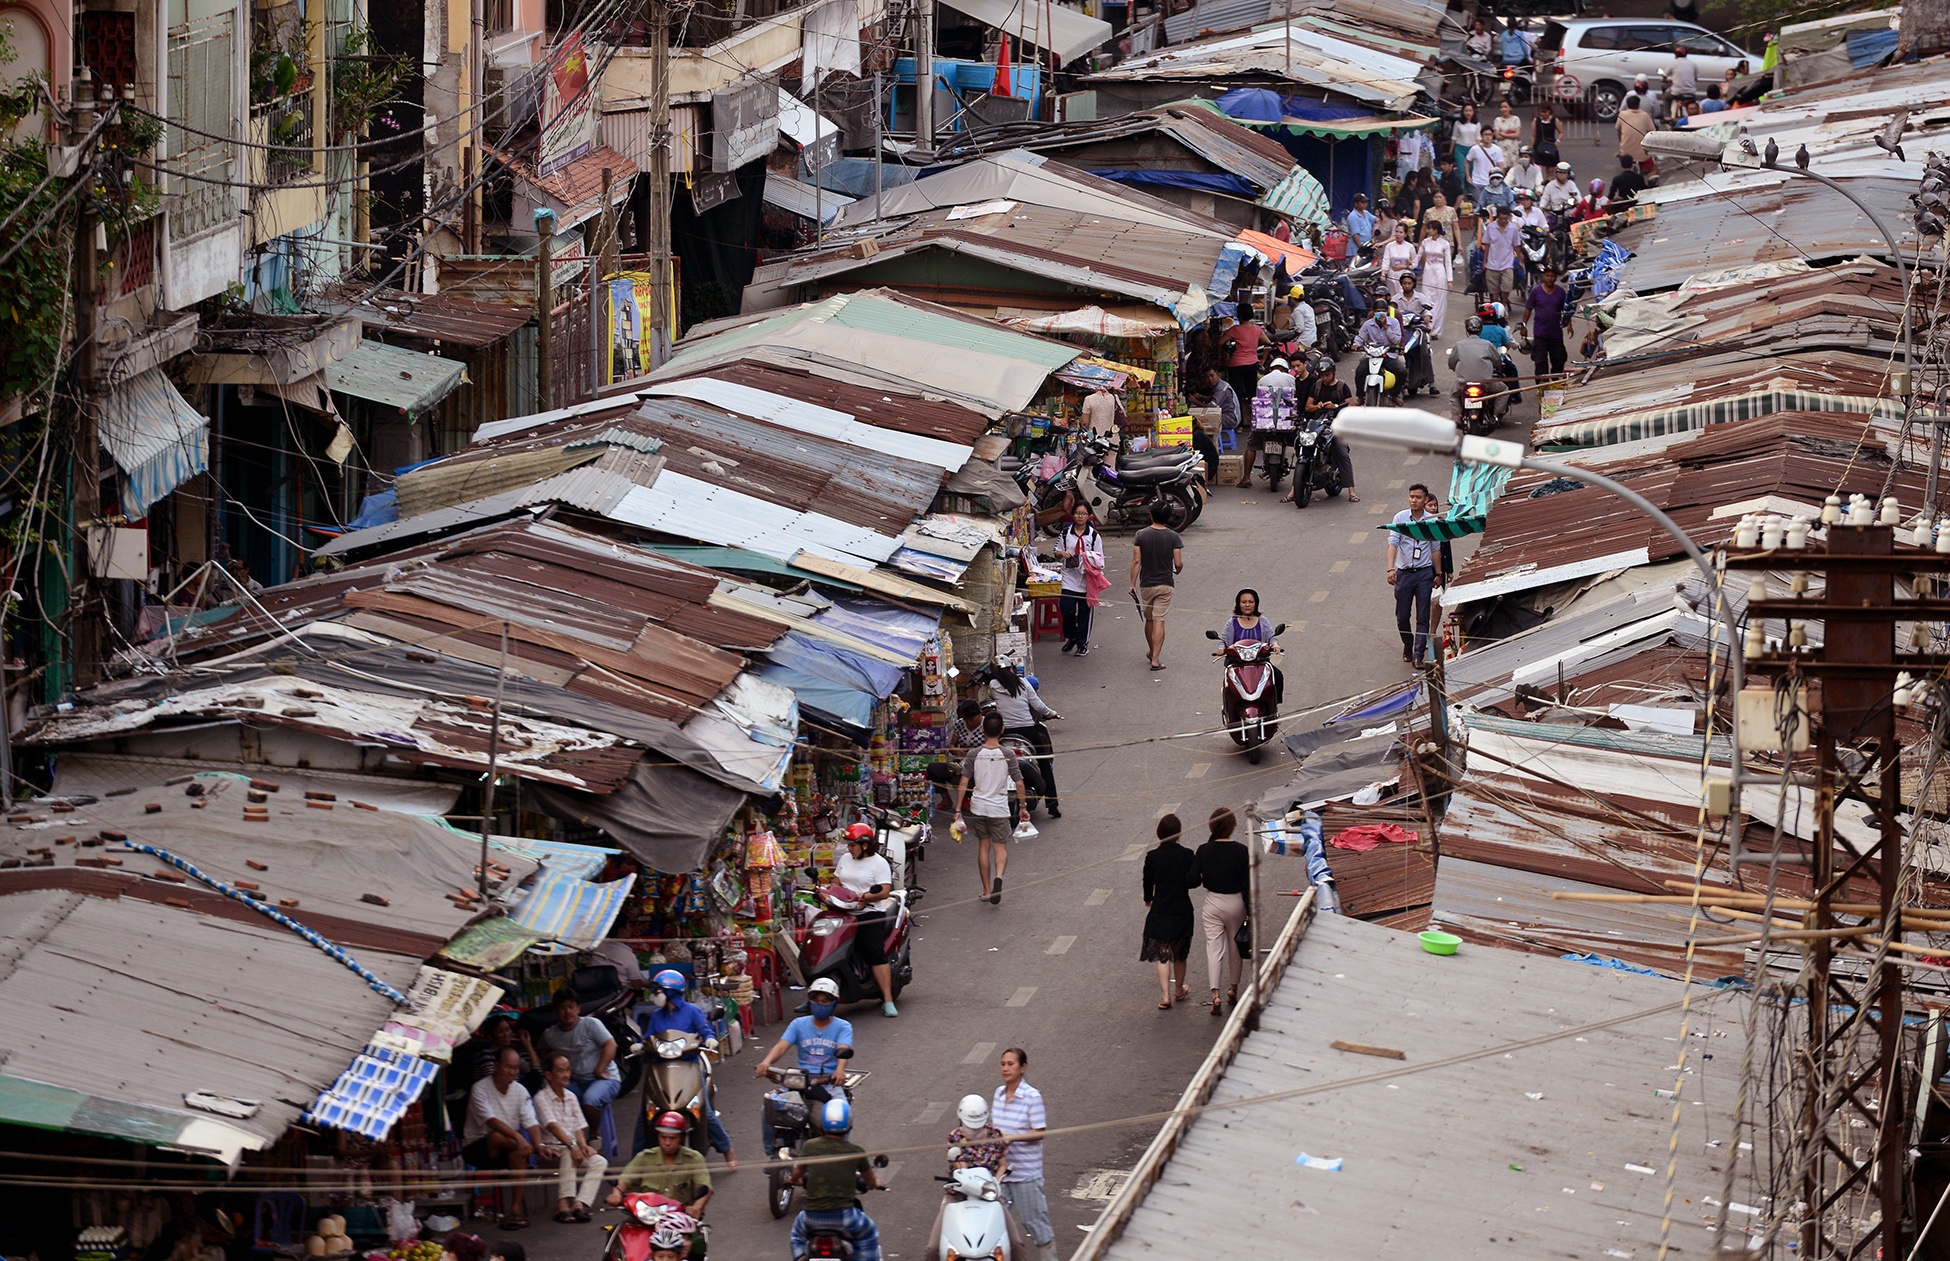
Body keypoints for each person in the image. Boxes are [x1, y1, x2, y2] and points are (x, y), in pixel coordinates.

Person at [641, 968, 736, 1165]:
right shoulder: (657, 1015)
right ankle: (637, 1159)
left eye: (658, 990)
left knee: (704, 1112)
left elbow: (705, 1030)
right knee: (646, 1112)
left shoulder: (692, 1011)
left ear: (670, 990)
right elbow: (648, 1037)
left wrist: (710, 1040)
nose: (655, 994)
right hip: (661, 1066)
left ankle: (727, 1149)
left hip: (688, 1066)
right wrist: (640, 1044)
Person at [790, 1098, 882, 1261]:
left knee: (796, 1236)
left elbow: (798, 1172)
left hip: (811, 1218)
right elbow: (870, 1181)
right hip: (844, 1217)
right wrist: (876, 1184)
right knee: (870, 1234)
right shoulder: (855, 1151)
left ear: (823, 1123)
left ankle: (801, 1258)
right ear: (849, 1124)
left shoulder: (810, 1146)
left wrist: (791, 1180)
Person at [955, 713, 1031, 904]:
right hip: (999, 809)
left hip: (979, 807)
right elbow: (1019, 783)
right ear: (1002, 730)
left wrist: (957, 809)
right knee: (1000, 848)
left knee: (983, 847)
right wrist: (1022, 807)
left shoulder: (974, 754)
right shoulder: (1008, 754)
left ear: (983, 730)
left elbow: (963, 781)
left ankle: (987, 891)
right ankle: (999, 877)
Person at [753, 976, 854, 1113]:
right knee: (769, 1108)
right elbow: (781, 1046)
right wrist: (766, 1062)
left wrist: (840, 1070)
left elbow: (843, 1048)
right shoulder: (798, 1024)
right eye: (816, 1001)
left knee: (840, 1114)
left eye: (825, 1002)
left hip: (829, 1082)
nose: (819, 1005)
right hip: (800, 1080)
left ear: (834, 1003)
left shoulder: (843, 1026)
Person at [462, 1048, 537, 1229]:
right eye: (508, 1067)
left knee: (519, 1154)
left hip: (508, 1146)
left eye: (516, 1068)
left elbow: (531, 1122)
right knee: (496, 1136)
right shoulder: (480, 1088)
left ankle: (516, 1210)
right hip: (478, 1147)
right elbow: (491, 1122)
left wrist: (538, 1143)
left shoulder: (520, 1090)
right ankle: (522, 1146)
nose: (513, 1072)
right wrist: (519, 1138)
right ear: (496, 1066)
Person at [993, 1049, 1055, 1261]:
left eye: (1011, 1064)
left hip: (1026, 1174)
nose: (1005, 1068)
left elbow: (1040, 1132)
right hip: (1002, 1174)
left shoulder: (1032, 1097)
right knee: (995, 1225)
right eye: (1003, 1064)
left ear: (1023, 1068)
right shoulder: (998, 1094)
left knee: (1036, 1224)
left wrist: (1013, 1138)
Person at [523, 989, 620, 1120]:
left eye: (571, 1007)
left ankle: (594, 1135)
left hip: (603, 1079)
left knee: (589, 1100)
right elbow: (542, 1051)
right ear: (556, 1011)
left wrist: (600, 1069)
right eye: (562, 1008)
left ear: (578, 1008)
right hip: (575, 1081)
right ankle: (567, 1137)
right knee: (551, 1100)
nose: (568, 1012)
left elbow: (611, 1045)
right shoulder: (550, 1034)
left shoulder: (590, 1024)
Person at [532, 1053, 607, 1223]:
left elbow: (578, 1127)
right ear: (549, 1075)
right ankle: (562, 1204)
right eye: (560, 1071)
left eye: (568, 1070)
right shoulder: (541, 1098)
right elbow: (553, 1126)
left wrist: (583, 1145)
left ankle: (579, 1204)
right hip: (551, 1151)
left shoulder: (571, 1096)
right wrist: (574, 1146)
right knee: (567, 1152)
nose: (566, 1074)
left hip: (571, 1147)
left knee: (599, 1161)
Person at [1189, 807, 1250, 1017]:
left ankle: (1215, 995)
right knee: (1235, 948)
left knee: (1213, 948)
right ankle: (1232, 989)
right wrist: (1250, 911)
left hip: (1213, 902)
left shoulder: (1203, 849)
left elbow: (1193, 880)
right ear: (1232, 826)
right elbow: (1247, 883)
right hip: (1236, 902)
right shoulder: (1241, 850)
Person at [836, 823, 902, 1016]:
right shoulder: (846, 859)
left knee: (875, 953)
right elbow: (836, 881)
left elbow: (884, 891)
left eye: (852, 845)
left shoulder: (879, 863)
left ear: (864, 845)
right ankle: (815, 996)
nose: (849, 849)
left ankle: (888, 999)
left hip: (869, 913)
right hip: (843, 911)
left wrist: (863, 898)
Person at [609, 1110, 714, 1225]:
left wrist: (696, 1207)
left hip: (681, 1220)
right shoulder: (644, 1157)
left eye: (672, 1138)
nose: (667, 1142)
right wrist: (616, 1194)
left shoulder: (694, 1159)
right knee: (618, 1232)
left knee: (690, 1243)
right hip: (648, 1218)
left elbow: (705, 1188)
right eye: (663, 1137)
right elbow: (625, 1180)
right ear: (658, 1136)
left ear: (682, 1138)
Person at [988, 660, 1061, 817]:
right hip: (1029, 730)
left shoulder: (993, 685)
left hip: (1005, 732)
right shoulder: (1022, 682)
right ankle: (1052, 804)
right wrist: (1051, 713)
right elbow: (1038, 705)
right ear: (1012, 669)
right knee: (1044, 763)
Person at [1140, 813, 1197, 1009]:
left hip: (1161, 909)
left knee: (1163, 953)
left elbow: (1147, 881)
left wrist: (1149, 899)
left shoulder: (1153, 857)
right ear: (1179, 833)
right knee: (1180, 953)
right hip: (1182, 908)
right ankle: (1179, 989)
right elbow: (1194, 881)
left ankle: (1165, 996)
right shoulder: (1187, 854)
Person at [1386, 483, 1442, 665]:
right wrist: (1390, 569)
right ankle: (1408, 645)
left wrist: (1438, 573)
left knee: (1423, 615)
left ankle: (1418, 655)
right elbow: (1393, 544)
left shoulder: (1432, 520)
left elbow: (1435, 549)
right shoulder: (1400, 518)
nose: (1414, 500)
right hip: (1404, 574)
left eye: (1418, 497)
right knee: (1402, 616)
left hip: (1424, 573)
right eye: (1411, 497)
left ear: (1425, 500)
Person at [1129, 501, 1183, 670]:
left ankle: (1152, 651)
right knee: (1160, 620)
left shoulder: (1141, 535)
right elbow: (1179, 563)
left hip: (1147, 585)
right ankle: (1155, 659)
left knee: (1150, 618)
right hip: (1166, 585)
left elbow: (1137, 561)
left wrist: (1132, 584)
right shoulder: (1174, 537)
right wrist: (1177, 570)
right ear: (1168, 517)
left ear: (1150, 515)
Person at [1057, 503, 1103, 656]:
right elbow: (1055, 551)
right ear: (1073, 514)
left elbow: (1100, 559)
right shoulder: (1065, 533)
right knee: (1066, 608)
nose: (1080, 516)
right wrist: (1062, 553)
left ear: (1089, 515)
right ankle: (1072, 636)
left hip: (1087, 579)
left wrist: (1087, 558)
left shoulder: (1094, 535)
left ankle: (1083, 644)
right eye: (1077, 513)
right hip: (1069, 577)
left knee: (1085, 612)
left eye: (1083, 513)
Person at [1221, 587, 1283, 701]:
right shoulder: (1232, 623)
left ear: (1256, 603)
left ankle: (1273, 709)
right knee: (1230, 688)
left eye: (1251, 602)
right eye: (1244, 602)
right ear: (1238, 604)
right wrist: (1221, 649)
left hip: (1260, 662)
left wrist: (1275, 645)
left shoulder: (1263, 621)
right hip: (1237, 664)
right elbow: (1223, 640)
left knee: (1277, 676)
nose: (1247, 605)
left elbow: (1271, 636)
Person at [1524, 264, 1571, 380]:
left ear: (1555, 278)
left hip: (1556, 334)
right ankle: (1542, 384)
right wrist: (1523, 325)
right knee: (1540, 361)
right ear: (1543, 276)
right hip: (1540, 334)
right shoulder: (1536, 291)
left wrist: (1569, 324)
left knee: (1559, 359)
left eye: (1552, 276)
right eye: (1547, 276)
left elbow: (1565, 309)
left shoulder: (1560, 292)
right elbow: (1528, 309)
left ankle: (1555, 379)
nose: (1549, 278)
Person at [1220, 315, 1265, 411]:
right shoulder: (1257, 328)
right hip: (1252, 363)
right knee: (1252, 392)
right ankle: (1254, 416)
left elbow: (1220, 342)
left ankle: (1239, 421)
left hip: (1236, 365)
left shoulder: (1235, 329)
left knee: (1237, 394)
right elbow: (1267, 341)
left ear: (1239, 315)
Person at [1480, 204, 1521, 306]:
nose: (1503, 221)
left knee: (1507, 286)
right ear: (1497, 216)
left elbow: (1517, 246)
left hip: (1507, 263)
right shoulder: (1490, 227)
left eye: (1505, 219)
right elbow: (1487, 245)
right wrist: (1485, 261)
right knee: (1493, 290)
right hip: (1492, 264)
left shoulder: (1513, 229)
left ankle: (1504, 304)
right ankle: (1496, 307)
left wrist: (1520, 260)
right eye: (1501, 218)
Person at [1378, 220, 1417, 299]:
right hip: (1392, 275)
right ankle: (1392, 311)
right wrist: (1383, 273)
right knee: (1392, 298)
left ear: (1405, 234)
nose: (1398, 234)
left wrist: (1405, 266)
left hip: (1404, 275)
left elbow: (1415, 263)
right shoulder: (1389, 246)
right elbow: (1386, 260)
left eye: (1401, 232)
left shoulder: (1410, 247)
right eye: (1397, 232)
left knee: (1403, 297)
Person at [1664, 45, 1699, 119]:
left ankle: (1667, 116)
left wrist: (1665, 80)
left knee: (1666, 97)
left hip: (1677, 92)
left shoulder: (1673, 63)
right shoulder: (1692, 64)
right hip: (1691, 92)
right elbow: (1696, 78)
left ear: (1676, 54)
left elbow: (1664, 76)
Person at [1464, 138, 1497, 206]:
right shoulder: (1475, 149)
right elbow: (1466, 161)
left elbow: (1500, 165)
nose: (1487, 137)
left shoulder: (1497, 149)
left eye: (1489, 134)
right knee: (1477, 206)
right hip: (1477, 182)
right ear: (1482, 136)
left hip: (1491, 183)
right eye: (1485, 134)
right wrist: (1468, 176)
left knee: (1491, 206)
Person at [1491, 99, 1522, 168]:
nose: (1503, 109)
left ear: (1510, 108)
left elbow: (1517, 135)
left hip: (1513, 148)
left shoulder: (1516, 119)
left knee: (1514, 170)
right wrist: (1511, 135)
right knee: (1502, 168)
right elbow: (1497, 136)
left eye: (1505, 107)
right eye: (1501, 107)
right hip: (1502, 148)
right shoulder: (1497, 120)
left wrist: (1503, 134)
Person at [1531, 101, 1561, 169]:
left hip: (1550, 146)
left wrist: (1557, 141)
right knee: (1538, 168)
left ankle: (1549, 180)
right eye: (1541, 112)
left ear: (1549, 111)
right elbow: (1533, 135)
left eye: (1544, 112)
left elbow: (1561, 132)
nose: (1542, 114)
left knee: (1550, 169)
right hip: (1538, 146)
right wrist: (1532, 147)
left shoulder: (1554, 120)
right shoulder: (1536, 120)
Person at [1452, 102, 1482, 170]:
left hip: (1472, 148)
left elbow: (1478, 139)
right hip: (1460, 149)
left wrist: (1477, 150)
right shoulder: (1458, 123)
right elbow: (1454, 138)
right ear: (1463, 112)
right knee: (1461, 170)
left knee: (1472, 170)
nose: (1468, 113)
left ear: (1473, 112)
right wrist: (1451, 151)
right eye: (1466, 111)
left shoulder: (1477, 124)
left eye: (1470, 111)